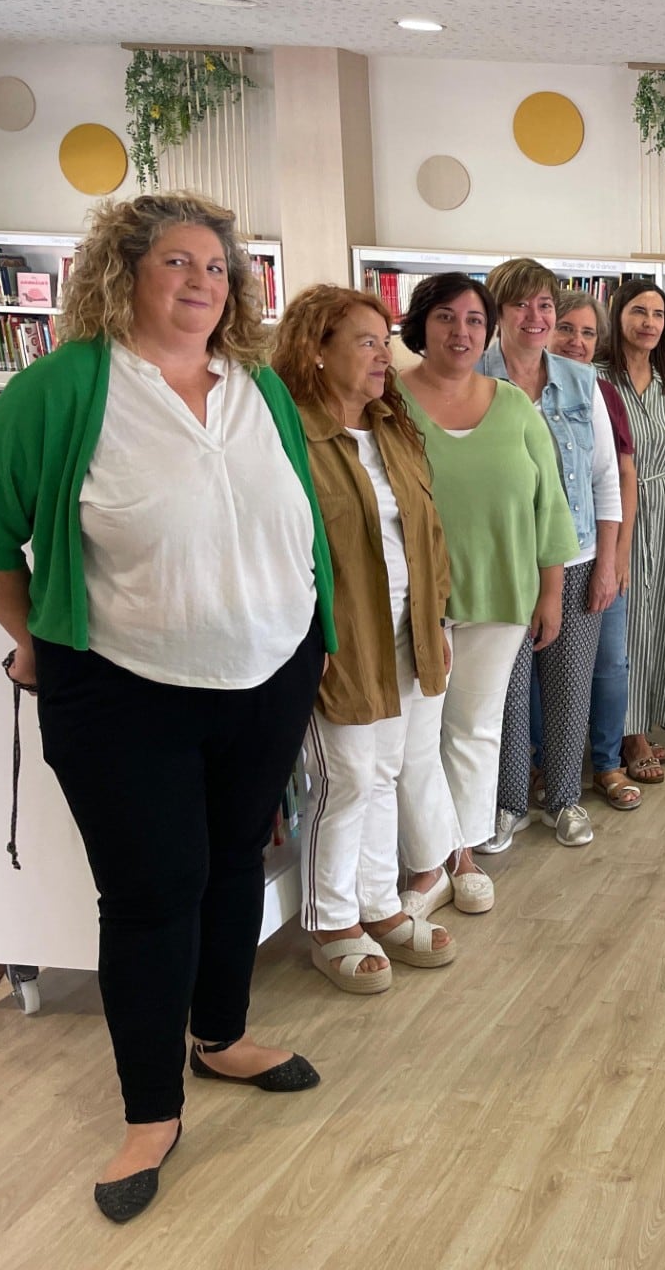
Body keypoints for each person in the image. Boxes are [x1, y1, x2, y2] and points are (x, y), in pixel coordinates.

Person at [0, 193, 334, 1221]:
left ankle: (220, 1036)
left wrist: (312, 641)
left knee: (235, 861)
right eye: (177, 262)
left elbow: (296, 521)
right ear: (121, 271)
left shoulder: (258, 387)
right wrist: (36, 646)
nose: (201, 282)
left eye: (218, 268)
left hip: (267, 674)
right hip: (123, 688)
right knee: (152, 895)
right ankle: (151, 1110)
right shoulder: (61, 391)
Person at [273, 286, 457, 993]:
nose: (386, 356)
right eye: (366, 342)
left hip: (407, 631)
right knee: (346, 778)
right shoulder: (293, 434)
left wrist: (438, 619)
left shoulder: (390, 425)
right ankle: (329, 921)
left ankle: (378, 905)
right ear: (315, 351)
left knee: (386, 772)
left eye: (386, 340)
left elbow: (428, 527)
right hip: (340, 638)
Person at [399, 274, 576, 899]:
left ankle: (465, 852)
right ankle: (429, 859)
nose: (462, 332)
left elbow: (550, 506)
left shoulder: (513, 405)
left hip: (502, 594)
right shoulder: (388, 403)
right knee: (415, 738)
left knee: (475, 728)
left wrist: (550, 592)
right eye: (447, 318)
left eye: (475, 321)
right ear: (420, 324)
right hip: (414, 603)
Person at [479, 258, 621, 848]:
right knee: (505, 693)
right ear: (497, 313)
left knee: (569, 687)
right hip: (502, 566)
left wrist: (609, 561)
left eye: (545, 306)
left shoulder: (583, 383)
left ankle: (563, 799)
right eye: (520, 305)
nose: (534, 318)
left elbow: (605, 478)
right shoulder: (472, 377)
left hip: (580, 554)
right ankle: (507, 802)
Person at [603, 280, 665, 781]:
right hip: (617, 513)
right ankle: (626, 735)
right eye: (638, 312)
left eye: (658, 314)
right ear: (618, 315)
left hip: (664, 509)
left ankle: (642, 719)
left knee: (659, 619)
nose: (648, 322)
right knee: (626, 627)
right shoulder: (598, 379)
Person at [554, 290, 642, 811]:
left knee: (609, 662)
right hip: (544, 555)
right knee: (548, 669)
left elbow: (620, 477)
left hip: (597, 547)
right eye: (568, 328)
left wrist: (619, 554)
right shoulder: (518, 388)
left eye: (588, 333)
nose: (577, 343)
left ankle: (606, 762)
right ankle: (546, 766)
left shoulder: (601, 392)